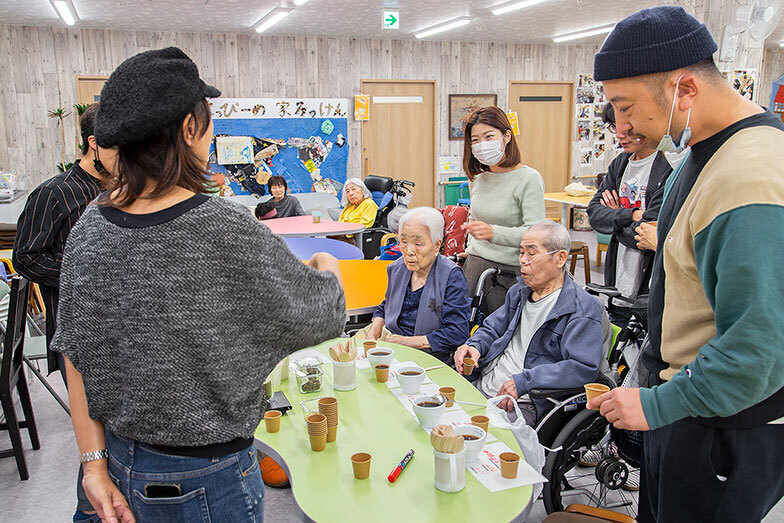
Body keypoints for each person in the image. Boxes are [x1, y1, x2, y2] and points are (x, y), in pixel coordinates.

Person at [51, 47, 346, 523]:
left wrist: (93, 466)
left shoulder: (90, 227)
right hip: (205, 480)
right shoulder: (221, 225)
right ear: (189, 128)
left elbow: (74, 351)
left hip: (114, 464)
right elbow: (323, 312)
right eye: (207, 121)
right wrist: (326, 262)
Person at [589, 7, 784, 522]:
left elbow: (756, 349)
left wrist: (657, 406)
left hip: (723, 426)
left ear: (686, 88)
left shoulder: (751, 175)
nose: (621, 125)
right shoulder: (698, 155)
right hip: (683, 408)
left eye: (625, 106)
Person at [13, 103, 114, 523]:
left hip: (119, 328)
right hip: (78, 333)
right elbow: (26, 256)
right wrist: (81, 273)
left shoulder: (121, 191)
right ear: (93, 143)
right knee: (98, 443)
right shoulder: (54, 193)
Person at [454, 220, 603, 426]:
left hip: (526, 402)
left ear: (560, 258)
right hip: (483, 383)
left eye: (531, 253)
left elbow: (582, 367)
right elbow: (492, 328)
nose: (523, 261)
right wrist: (474, 346)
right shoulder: (519, 291)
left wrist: (524, 382)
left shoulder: (582, 309)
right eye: (521, 253)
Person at [587, 103, 672, 328]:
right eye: (614, 126)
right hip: (617, 286)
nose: (620, 134)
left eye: (627, 127)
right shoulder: (620, 164)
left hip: (647, 292)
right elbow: (595, 213)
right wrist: (631, 214)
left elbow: (646, 234)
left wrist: (615, 217)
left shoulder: (667, 170)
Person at [460, 107, 546, 314]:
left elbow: (536, 234)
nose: (481, 145)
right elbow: (475, 218)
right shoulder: (479, 178)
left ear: (506, 136)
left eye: (488, 136)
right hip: (474, 265)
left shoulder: (528, 178)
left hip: (508, 273)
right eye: (475, 140)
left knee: (497, 333)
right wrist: (471, 248)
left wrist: (493, 233)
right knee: (465, 328)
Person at [366, 207, 470, 362]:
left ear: (436, 246)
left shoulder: (451, 276)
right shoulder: (397, 268)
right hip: (392, 343)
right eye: (403, 242)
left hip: (428, 355)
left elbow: (457, 333)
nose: (409, 251)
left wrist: (409, 342)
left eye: (418, 244)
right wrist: (375, 327)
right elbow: (388, 303)